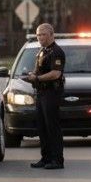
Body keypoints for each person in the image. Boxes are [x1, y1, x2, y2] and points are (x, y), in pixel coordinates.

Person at [27, 23, 66, 170]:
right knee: (42, 128)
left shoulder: (56, 52)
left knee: (52, 127)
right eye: (38, 34)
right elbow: (40, 70)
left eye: (43, 34)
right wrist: (32, 75)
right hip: (41, 93)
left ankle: (57, 160)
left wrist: (37, 79)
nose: (40, 37)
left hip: (51, 93)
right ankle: (46, 158)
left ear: (51, 35)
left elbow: (56, 73)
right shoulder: (42, 51)